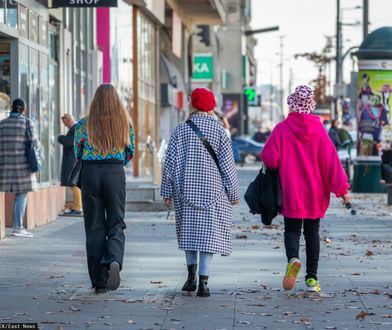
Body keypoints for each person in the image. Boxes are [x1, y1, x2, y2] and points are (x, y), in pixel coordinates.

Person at [260, 85, 351, 293]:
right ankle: (312, 279)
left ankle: (293, 259)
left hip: (291, 191)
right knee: (312, 233)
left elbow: (269, 158)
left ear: (292, 104)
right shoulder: (320, 131)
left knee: (292, 229)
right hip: (316, 193)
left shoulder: (281, 129)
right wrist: (342, 190)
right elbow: (331, 163)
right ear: (311, 106)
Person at [161, 88, 240, 297]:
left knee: (190, 234)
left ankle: (191, 277)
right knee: (208, 237)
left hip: (185, 191)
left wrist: (166, 191)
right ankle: (204, 283)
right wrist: (233, 194)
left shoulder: (181, 130)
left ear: (192, 105)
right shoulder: (220, 131)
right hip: (214, 193)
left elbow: (169, 163)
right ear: (212, 106)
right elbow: (227, 166)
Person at [74, 84, 135, 294]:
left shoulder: (84, 124)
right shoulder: (124, 123)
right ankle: (114, 259)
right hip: (115, 173)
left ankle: (99, 281)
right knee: (116, 223)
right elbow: (130, 152)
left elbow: (77, 151)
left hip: (90, 174)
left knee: (94, 227)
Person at [0, 99, 40, 237]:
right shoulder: (27, 122)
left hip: (4, 165)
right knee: (21, 194)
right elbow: (35, 144)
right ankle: (18, 227)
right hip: (22, 166)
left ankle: (14, 227)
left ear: (12, 108)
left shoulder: (2, 124)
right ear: (24, 109)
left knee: (3, 193)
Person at [58, 114, 82, 215]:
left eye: (65, 122)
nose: (65, 125)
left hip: (72, 161)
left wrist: (60, 138)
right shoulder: (75, 128)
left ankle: (77, 207)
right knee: (73, 184)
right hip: (72, 160)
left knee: (73, 184)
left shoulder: (75, 128)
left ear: (69, 120)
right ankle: (76, 206)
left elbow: (69, 142)